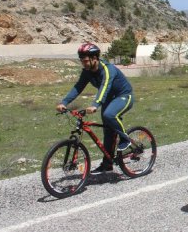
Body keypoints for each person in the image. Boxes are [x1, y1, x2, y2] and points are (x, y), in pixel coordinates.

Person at [56, 43, 134, 174]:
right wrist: (64, 102)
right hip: (109, 99)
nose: (83, 63)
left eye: (85, 60)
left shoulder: (108, 69)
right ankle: (107, 164)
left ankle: (125, 139)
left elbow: (104, 87)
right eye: (81, 60)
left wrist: (95, 104)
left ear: (94, 58)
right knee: (108, 131)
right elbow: (78, 87)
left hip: (124, 96)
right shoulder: (87, 72)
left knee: (109, 115)